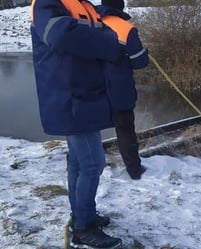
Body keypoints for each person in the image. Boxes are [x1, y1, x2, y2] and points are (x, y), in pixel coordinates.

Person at [30, 0, 125, 248]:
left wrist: (112, 7)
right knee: (93, 163)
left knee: (79, 162)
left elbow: (108, 24)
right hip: (68, 97)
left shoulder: (85, 6)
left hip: (86, 96)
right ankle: (83, 228)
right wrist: (109, 45)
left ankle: (84, 215)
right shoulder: (46, 3)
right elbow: (60, 35)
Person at [98, 0, 149, 180]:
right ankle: (134, 169)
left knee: (89, 127)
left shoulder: (89, 23)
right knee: (125, 128)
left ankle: (80, 162)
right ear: (120, 7)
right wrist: (145, 53)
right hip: (119, 88)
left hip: (92, 86)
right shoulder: (125, 28)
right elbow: (140, 61)